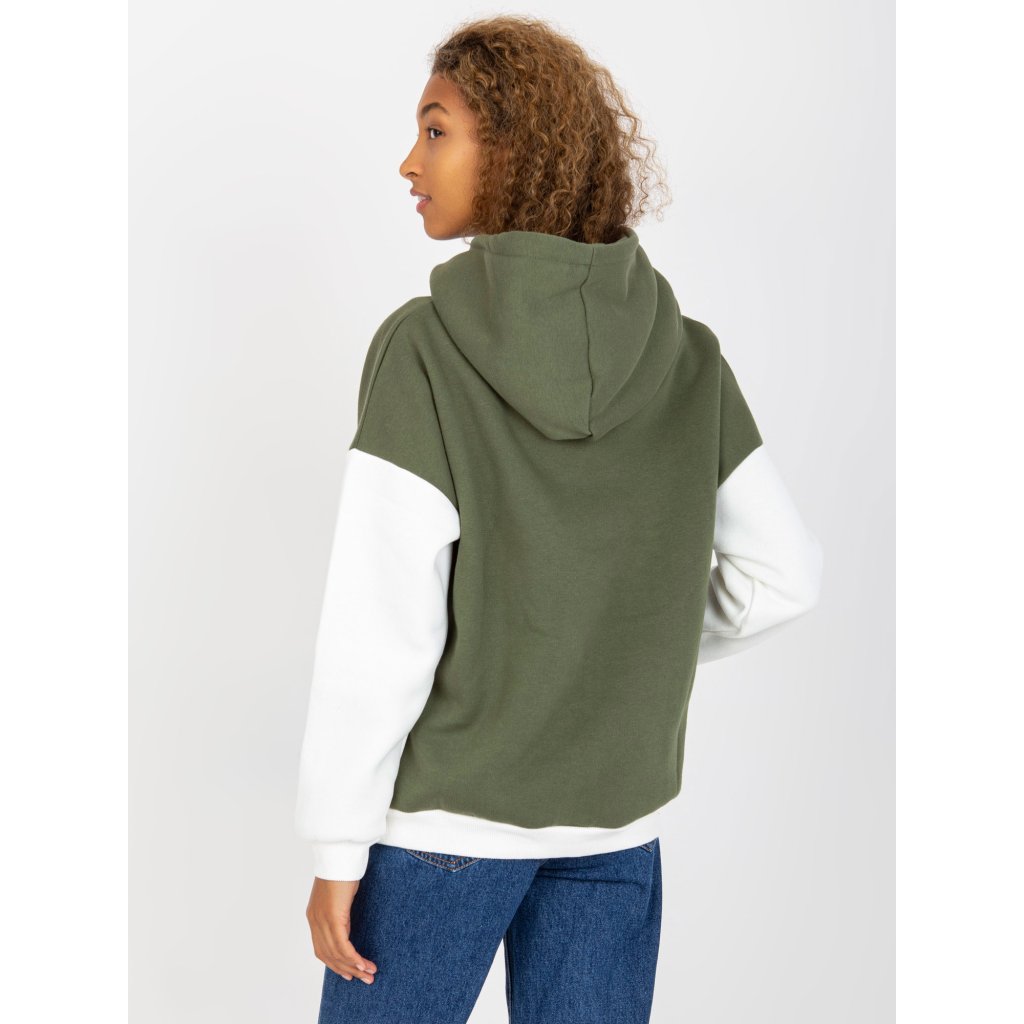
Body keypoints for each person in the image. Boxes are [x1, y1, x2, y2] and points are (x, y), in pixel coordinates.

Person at [295, 14, 824, 1023]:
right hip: (614, 832)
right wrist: (610, 646)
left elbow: (381, 632)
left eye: (437, 130)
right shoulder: (688, 356)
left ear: (514, 151)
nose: (409, 161)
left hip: (441, 835)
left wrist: (335, 848)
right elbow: (784, 576)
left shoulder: (424, 350)